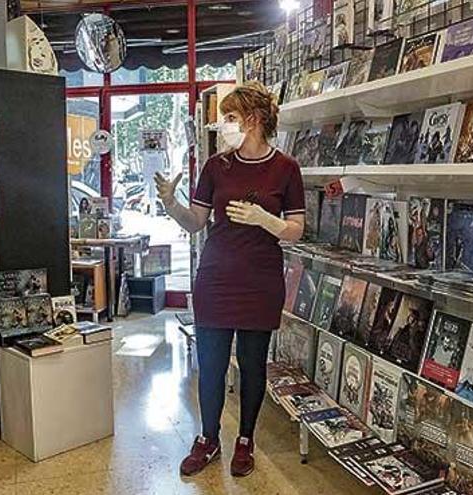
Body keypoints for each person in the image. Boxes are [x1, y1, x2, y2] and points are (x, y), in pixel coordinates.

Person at [154, 81, 305, 478]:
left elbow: (296, 229)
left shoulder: (287, 169)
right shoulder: (215, 166)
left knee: (252, 365)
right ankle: (207, 439)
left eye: (231, 117)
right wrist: (171, 203)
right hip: (216, 279)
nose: (224, 126)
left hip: (260, 281)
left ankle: (245, 440)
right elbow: (196, 222)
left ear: (254, 120)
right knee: (212, 363)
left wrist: (265, 220)